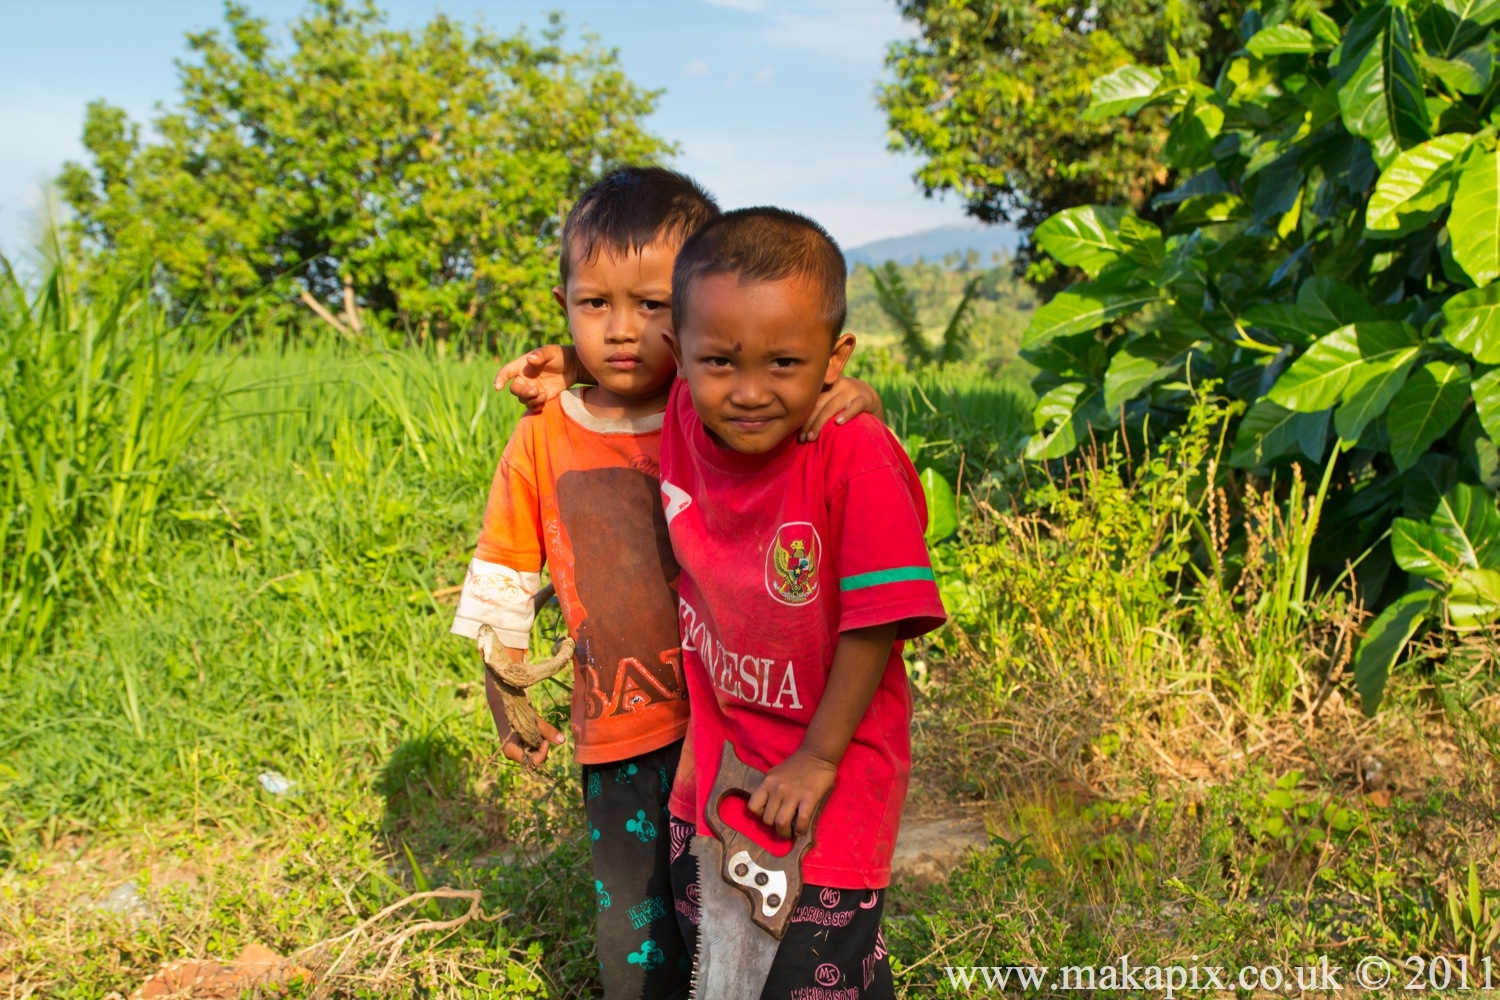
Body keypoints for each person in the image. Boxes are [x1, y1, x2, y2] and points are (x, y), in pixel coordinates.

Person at [456, 168, 882, 1000]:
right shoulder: (545, 436)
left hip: (730, 724)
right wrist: (502, 684)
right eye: (595, 305)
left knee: (753, 912)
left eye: (653, 308)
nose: (622, 332)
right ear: (563, 303)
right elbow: (505, 571)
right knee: (636, 927)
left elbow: (803, 405)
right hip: (618, 727)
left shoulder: (722, 412)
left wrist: (849, 394)